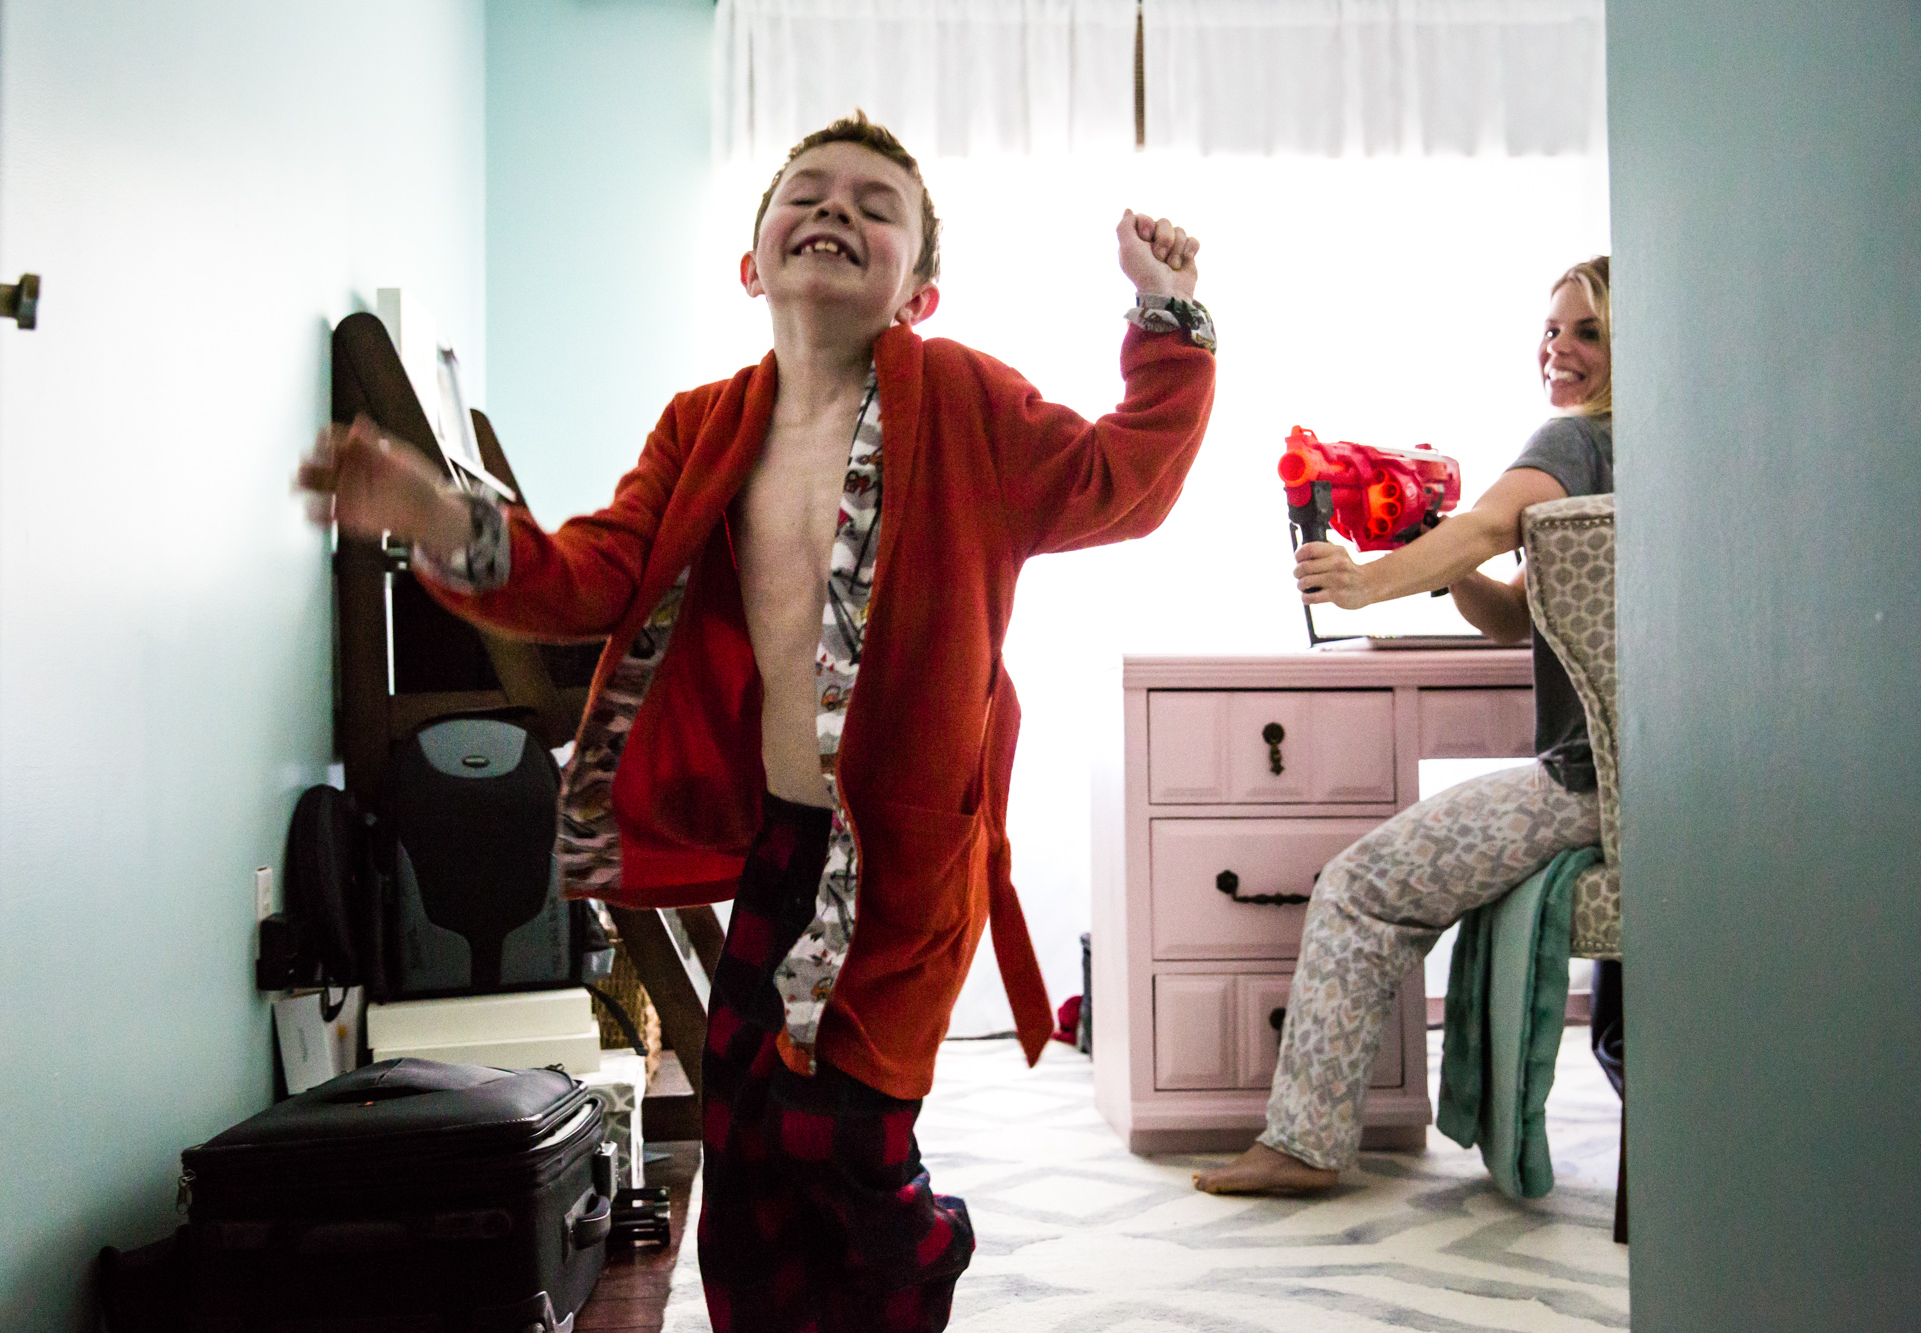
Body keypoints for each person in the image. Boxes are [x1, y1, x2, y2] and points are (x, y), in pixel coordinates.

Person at [300, 112, 1216, 1330]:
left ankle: (920, 1250)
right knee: (740, 1140)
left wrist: (1168, 318)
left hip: (905, 854)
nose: (836, 211)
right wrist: (445, 521)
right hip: (780, 841)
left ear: (919, 290)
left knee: (841, 1122)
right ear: (751, 262)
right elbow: (587, 574)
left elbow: (1123, 477)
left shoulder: (963, 402)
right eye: (809, 193)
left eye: (874, 206)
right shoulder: (703, 426)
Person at [1194, 256, 1612, 1196]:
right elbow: (1511, 616)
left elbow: (1489, 527)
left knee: (1359, 886)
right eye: (1552, 328)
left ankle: (1304, 1144)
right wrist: (1438, 551)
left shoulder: (1574, 442)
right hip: (1637, 783)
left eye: (1588, 331)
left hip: (1587, 781)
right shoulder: (1639, 454)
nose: (1560, 348)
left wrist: (1362, 583)